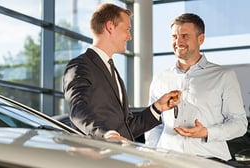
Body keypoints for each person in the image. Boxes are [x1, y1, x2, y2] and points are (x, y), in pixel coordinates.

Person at [63, 3, 180, 141]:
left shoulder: (112, 71)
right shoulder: (80, 66)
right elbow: (78, 111)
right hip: (99, 156)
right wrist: (105, 134)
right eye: (127, 29)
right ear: (110, 27)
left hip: (119, 155)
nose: (129, 36)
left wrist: (157, 107)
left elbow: (127, 127)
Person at [144, 13, 248, 162]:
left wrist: (207, 132)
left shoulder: (223, 76)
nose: (178, 41)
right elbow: (153, 125)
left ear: (201, 39)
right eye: (174, 36)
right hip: (167, 160)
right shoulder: (160, 78)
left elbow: (239, 123)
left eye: (185, 36)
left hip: (209, 160)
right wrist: (151, 156)